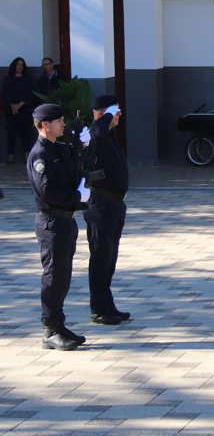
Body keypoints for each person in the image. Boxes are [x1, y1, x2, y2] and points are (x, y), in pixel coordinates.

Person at [27, 103, 90, 351]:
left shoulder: (55, 148)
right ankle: (50, 329)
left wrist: (83, 143)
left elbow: (75, 157)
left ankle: (59, 325)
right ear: (46, 125)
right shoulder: (40, 155)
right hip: (52, 221)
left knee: (62, 277)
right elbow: (47, 190)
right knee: (54, 277)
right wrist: (77, 195)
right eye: (59, 121)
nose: (63, 124)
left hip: (65, 220)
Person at [83, 95, 130, 325]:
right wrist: (108, 115)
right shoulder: (93, 135)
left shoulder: (109, 135)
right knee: (101, 258)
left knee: (109, 258)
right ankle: (99, 309)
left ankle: (107, 305)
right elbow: (96, 132)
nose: (120, 114)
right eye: (115, 110)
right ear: (103, 114)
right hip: (100, 206)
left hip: (114, 205)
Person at [3, 57, 34, 164]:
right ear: (14, 66)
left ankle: (27, 155)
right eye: (18, 64)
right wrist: (12, 106)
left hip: (24, 109)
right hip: (11, 110)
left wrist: (19, 105)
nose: (20, 67)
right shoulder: (8, 78)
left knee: (26, 131)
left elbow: (29, 94)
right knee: (11, 131)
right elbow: (5, 93)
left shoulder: (27, 79)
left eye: (22, 65)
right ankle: (10, 156)